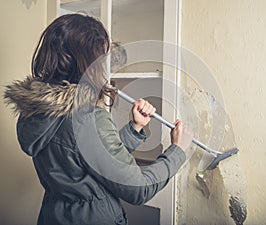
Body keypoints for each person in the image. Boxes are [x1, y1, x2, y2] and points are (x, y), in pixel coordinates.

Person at [4, 14, 193, 225]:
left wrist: (134, 128)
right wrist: (177, 150)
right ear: (89, 62)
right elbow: (138, 189)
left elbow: (90, 157)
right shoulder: (86, 120)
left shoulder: (37, 111)